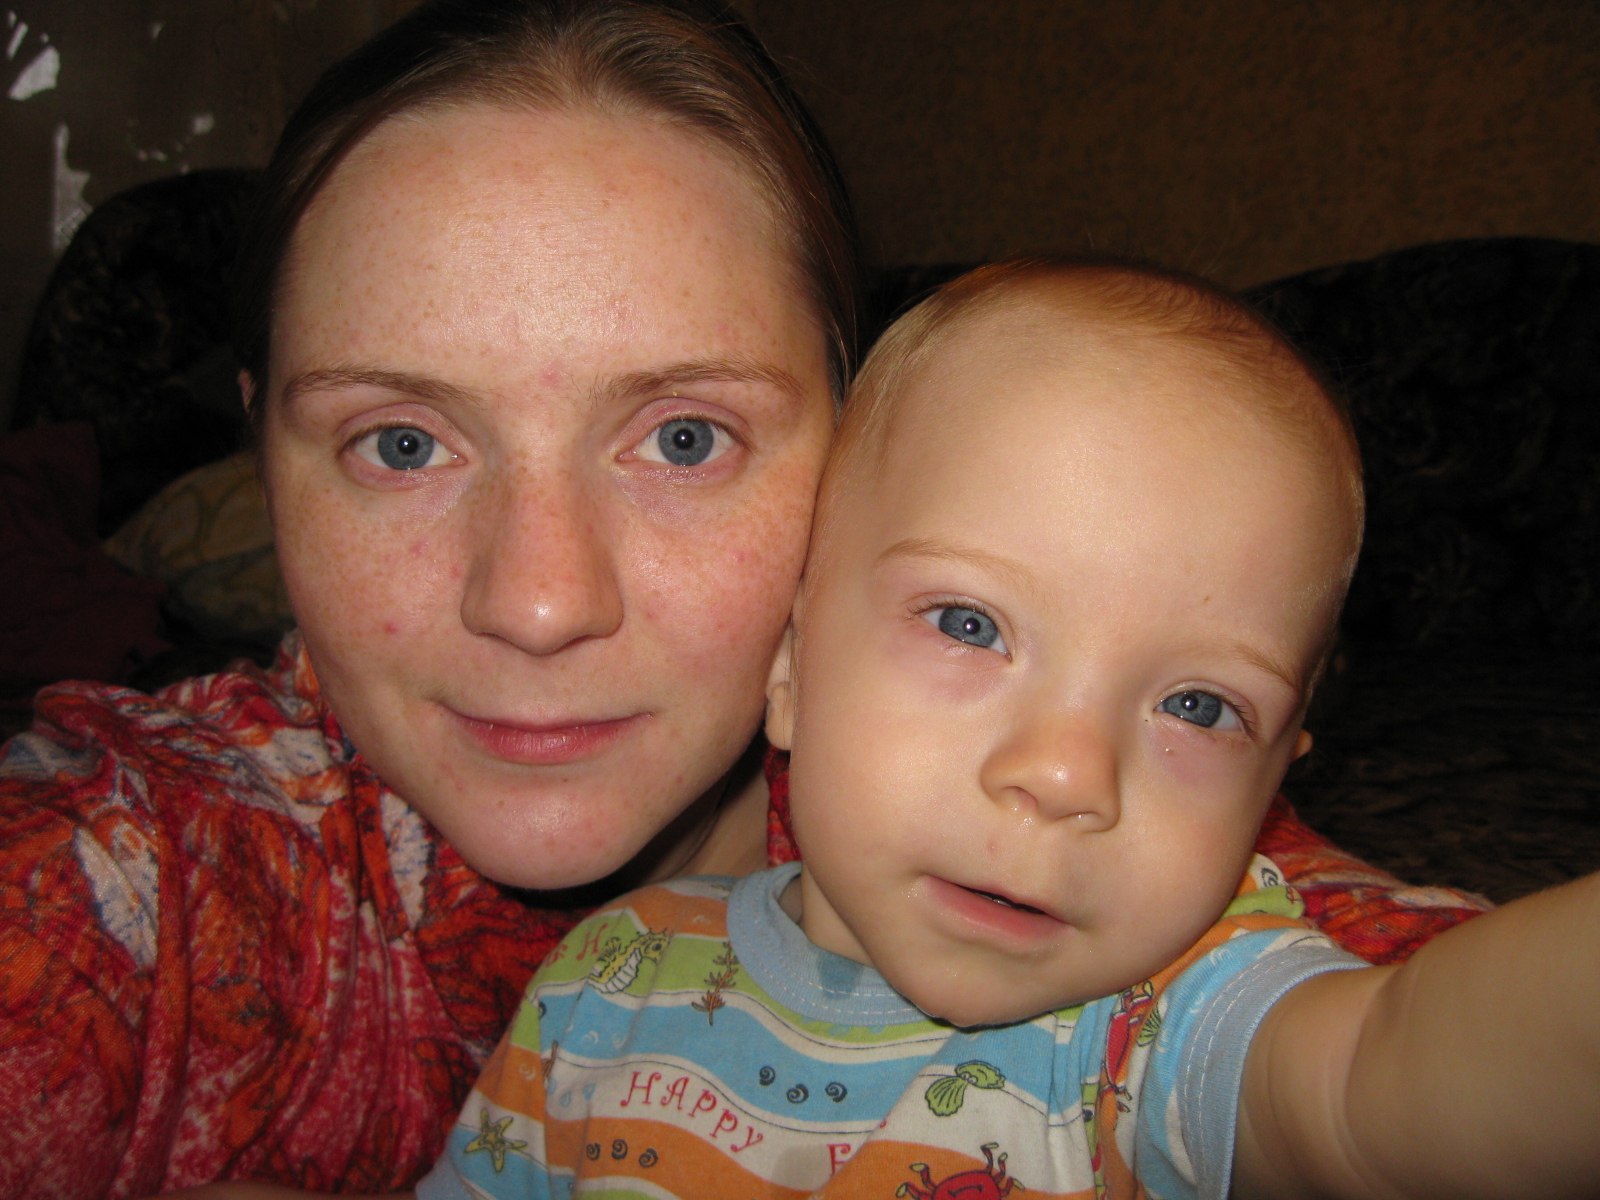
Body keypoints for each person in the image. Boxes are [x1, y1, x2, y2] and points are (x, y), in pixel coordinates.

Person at [0, 3, 1483, 1197]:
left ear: (856, 450)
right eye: (400, 444)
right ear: (264, 461)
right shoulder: (122, 898)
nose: (538, 604)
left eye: (684, 439)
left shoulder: (1053, 836)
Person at [417, 259, 1597, 1200]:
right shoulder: (606, 982)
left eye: (1196, 706)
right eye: (969, 625)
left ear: (1272, 781)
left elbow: (1379, 1087)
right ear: (789, 662)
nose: (1066, 772)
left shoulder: (1156, 1037)